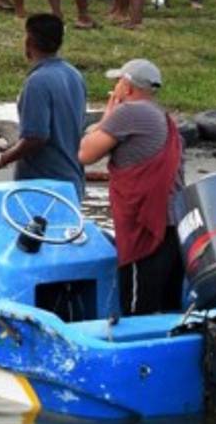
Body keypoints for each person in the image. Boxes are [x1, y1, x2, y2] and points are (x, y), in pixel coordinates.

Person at [78, 59, 185, 316]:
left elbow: (85, 153)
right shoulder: (158, 115)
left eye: (118, 82)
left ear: (127, 87)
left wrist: (108, 115)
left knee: (138, 312)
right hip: (173, 224)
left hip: (146, 229)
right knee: (167, 309)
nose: (115, 87)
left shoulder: (129, 113)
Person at [0, 14, 87, 200]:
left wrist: (1, 159)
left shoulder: (37, 82)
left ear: (29, 41)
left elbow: (36, 137)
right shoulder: (74, 75)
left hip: (42, 187)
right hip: (72, 181)